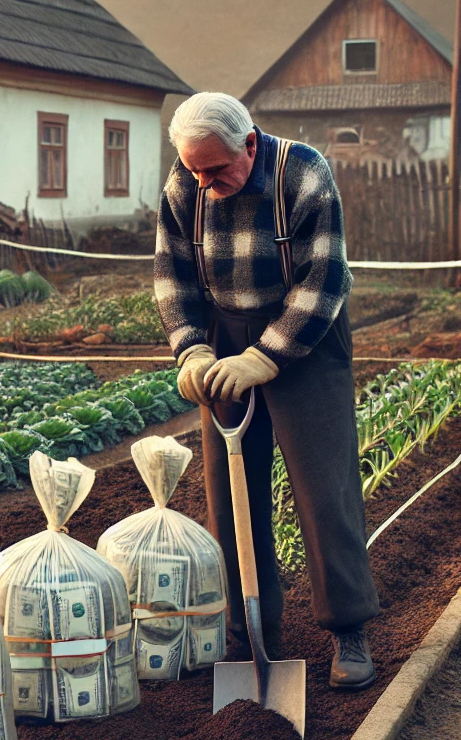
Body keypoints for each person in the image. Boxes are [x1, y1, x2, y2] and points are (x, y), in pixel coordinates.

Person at [155, 91, 378, 690]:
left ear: (249, 144)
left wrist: (266, 356)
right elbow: (171, 273)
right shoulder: (186, 182)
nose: (204, 183)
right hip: (224, 337)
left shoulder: (302, 174)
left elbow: (325, 278)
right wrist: (192, 346)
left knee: (323, 488)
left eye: (216, 169)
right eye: (194, 170)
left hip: (306, 337)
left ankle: (349, 627)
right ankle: (250, 629)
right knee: (231, 495)